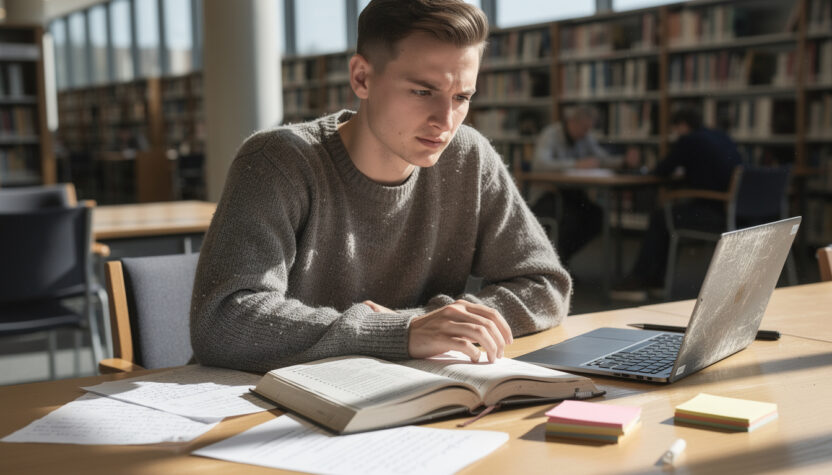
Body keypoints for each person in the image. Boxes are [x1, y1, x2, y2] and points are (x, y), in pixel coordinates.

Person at [189, 0, 572, 373]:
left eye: (461, 97)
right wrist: (402, 332)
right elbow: (224, 318)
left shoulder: (469, 157)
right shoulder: (277, 162)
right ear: (362, 78)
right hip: (257, 404)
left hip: (402, 397)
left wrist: (436, 325)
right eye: (423, 92)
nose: (445, 120)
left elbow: (544, 284)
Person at [611, 107, 742, 302]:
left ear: (682, 126)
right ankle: (656, 281)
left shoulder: (689, 140)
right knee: (668, 218)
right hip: (736, 212)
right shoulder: (721, 137)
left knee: (661, 217)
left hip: (713, 212)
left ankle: (639, 280)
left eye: (675, 130)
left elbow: (661, 171)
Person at [530, 106, 615, 265]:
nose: (585, 133)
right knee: (571, 218)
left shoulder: (585, 137)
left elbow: (601, 157)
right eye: (583, 128)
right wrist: (575, 164)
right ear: (572, 122)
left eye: (589, 129)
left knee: (596, 216)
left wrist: (623, 161)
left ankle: (562, 260)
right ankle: (554, 265)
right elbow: (540, 164)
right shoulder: (551, 134)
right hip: (548, 193)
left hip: (572, 193)